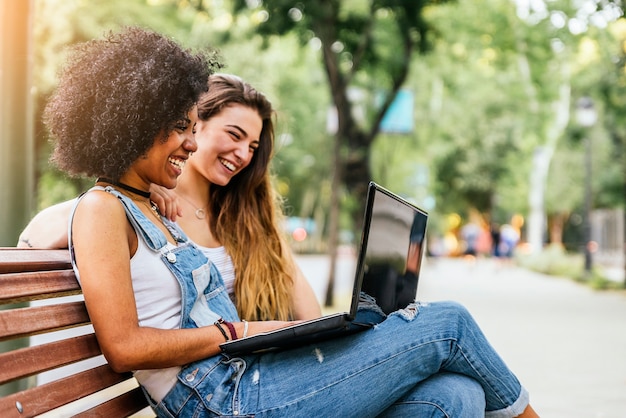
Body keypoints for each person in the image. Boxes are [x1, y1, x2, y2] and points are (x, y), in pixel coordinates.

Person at [23, 27, 540, 417]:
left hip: (249, 378)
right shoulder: (102, 209)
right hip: (221, 400)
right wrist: (237, 329)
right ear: (133, 120)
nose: (190, 141)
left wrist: (302, 333)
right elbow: (123, 348)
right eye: (181, 127)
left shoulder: (157, 210)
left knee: (455, 394)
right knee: (446, 323)